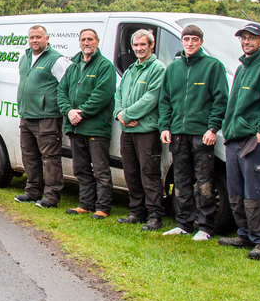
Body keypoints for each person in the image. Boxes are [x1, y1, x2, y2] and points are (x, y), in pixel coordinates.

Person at [217, 22, 260, 260]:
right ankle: (244, 234)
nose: (246, 41)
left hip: (254, 141)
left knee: (256, 192)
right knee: (236, 192)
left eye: (251, 38)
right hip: (235, 139)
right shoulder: (242, 68)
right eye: (243, 38)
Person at [158, 25, 229, 239]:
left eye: (194, 39)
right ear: (181, 41)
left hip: (202, 135)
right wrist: (164, 126)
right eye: (186, 39)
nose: (190, 43)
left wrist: (213, 127)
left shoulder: (213, 66)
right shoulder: (173, 68)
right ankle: (184, 224)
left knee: (204, 182)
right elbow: (165, 100)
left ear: (201, 42)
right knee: (180, 181)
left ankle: (205, 227)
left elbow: (221, 100)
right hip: (178, 134)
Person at [57, 28, 117, 219]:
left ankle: (103, 207)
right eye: (83, 39)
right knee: (81, 168)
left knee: (100, 169)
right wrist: (68, 111)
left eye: (90, 39)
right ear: (79, 42)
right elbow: (61, 91)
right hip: (75, 127)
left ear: (97, 42)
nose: (86, 43)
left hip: (96, 127)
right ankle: (85, 204)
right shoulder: (73, 66)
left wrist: (80, 113)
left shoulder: (105, 66)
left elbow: (102, 95)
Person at [113, 29, 167, 230]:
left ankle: (155, 215)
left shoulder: (158, 69)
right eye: (135, 45)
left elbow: (151, 99)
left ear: (151, 46)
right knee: (131, 172)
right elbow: (118, 94)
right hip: (127, 131)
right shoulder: (130, 70)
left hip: (146, 132)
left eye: (143, 45)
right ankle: (136, 211)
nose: (138, 48)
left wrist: (126, 115)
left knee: (149, 173)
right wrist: (120, 114)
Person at [13, 25, 70, 208]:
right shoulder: (25, 57)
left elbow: (67, 86)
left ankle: (51, 196)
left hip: (47, 117)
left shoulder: (57, 60)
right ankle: (32, 191)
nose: (34, 40)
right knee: (29, 156)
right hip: (27, 115)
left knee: (50, 158)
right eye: (31, 37)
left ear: (47, 38)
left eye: (38, 37)